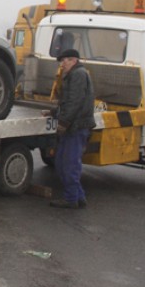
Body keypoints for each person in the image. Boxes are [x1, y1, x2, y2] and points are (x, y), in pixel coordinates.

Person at [46, 48, 95, 209]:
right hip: (73, 127)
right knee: (61, 163)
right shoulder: (73, 75)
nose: (62, 64)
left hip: (76, 128)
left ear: (73, 60)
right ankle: (78, 196)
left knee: (69, 165)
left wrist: (64, 123)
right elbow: (67, 102)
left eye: (65, 60)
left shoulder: (78, 75)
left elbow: (75, 102)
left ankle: (71, 199)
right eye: (61, 61)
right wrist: (53, 112)